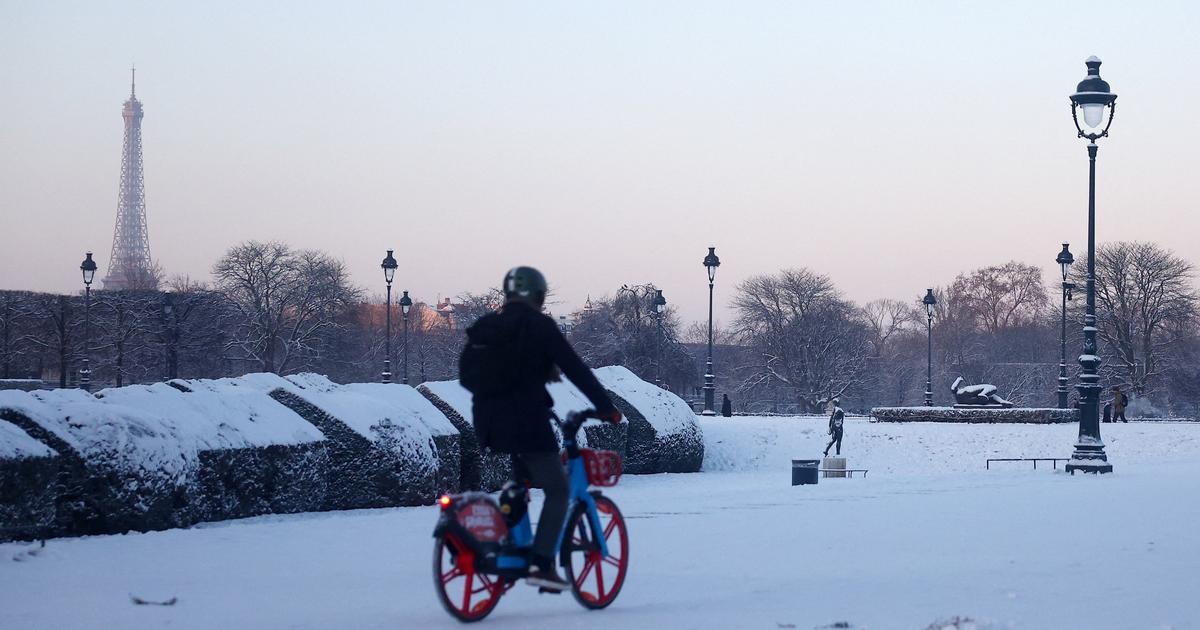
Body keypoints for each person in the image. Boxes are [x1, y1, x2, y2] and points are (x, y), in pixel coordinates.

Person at [461, 266, 622, 592]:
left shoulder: (487, 327)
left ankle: (513, 535)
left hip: (488, 423)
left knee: (520, 483)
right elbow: (575, 369)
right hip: (528, 422)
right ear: (538, 295)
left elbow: (466, 377)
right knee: (558, 490)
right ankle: (541, 563)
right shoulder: (539, 326)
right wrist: (606, 407)